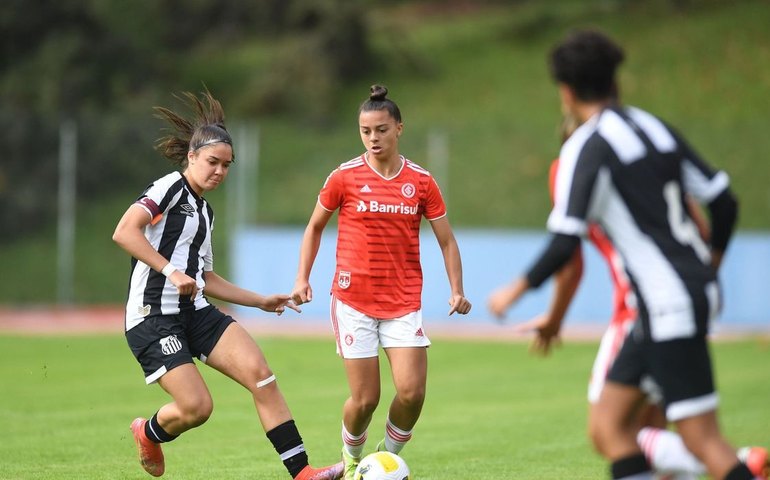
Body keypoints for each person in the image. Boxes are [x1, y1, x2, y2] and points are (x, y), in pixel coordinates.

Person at [486, 29, 763, 480]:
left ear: (566, 92)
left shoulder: (584, 146)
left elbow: (565, 241)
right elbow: (724, 201)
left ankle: (746, 466)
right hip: (669, 301)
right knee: (609, 427)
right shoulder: (654, 127)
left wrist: (513, 290)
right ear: (616, 81)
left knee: (700, 437)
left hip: (665, 303)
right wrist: (709, 265)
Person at [113, 90, 343, 480]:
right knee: (197, 408)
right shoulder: (168, 187)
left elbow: (204, 277)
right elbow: (124, 231)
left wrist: (259, 301)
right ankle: (148, 431)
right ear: (191, 157)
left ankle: (303, 473)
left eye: (226, 165)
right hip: (153, 318)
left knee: (262, 376)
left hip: (196, 313)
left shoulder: (205, 211)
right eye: (212, 162)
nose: (219, 171)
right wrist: (170, 271)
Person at [291, 85, 472, 480]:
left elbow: (446, 239)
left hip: (403, 300)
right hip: (353, 300)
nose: (373, 138)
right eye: (365, 131)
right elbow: (314, 227)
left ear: (399, 129)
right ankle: (353, 458)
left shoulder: (421, 182)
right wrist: (302, 278)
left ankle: (384, 460)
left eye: (381, 130)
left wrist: (457, 289)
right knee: (365, 398)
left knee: (412, 393)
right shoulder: (344, 177)